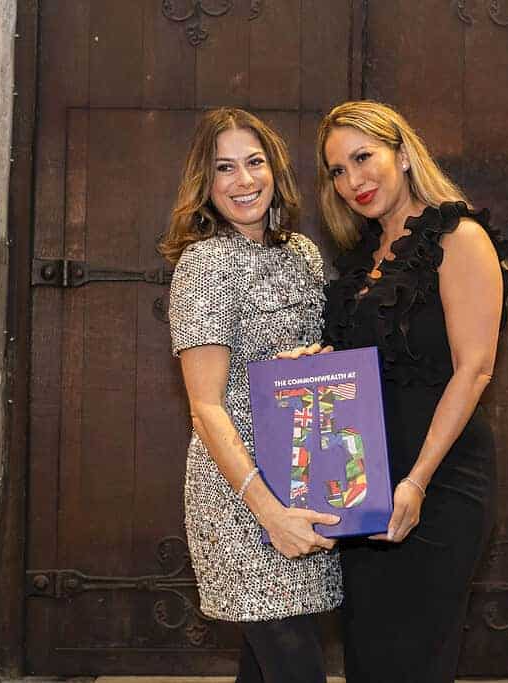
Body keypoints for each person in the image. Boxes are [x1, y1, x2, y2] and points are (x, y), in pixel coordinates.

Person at [316, 100, 508, 682]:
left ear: (402, 155)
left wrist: (418, 479)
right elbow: (353, 372)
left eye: (363, 157)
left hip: (440, 481)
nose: (353, 180)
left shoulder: (459, 238)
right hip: (365, 485)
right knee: (368, 657)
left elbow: (474, 369)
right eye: (337, 170)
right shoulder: (360, 260)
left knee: (416, 660)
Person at [161, 108, 342, 683]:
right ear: (206, 185)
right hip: (240, 497)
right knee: (295, 667)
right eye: (225, 169)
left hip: (301, 479)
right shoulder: (204, 264)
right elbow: (205, 405)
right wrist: (269, 512)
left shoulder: (304, 255)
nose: (244, 181)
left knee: (265, 670)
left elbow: (312, 366)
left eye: (254, 162)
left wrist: (317, 359)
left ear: (275, 169)